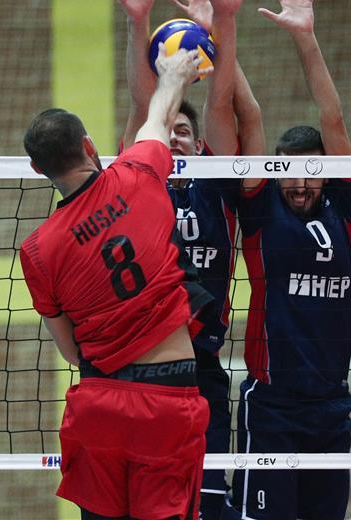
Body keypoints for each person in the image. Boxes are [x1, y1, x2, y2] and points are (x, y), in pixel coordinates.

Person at [100, 0, 264, 519]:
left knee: (209, 509)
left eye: (184, 132)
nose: (174, 136)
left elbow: (222, 102)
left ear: (199, 145)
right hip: (140, 371)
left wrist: (223, 22)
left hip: (202, 371)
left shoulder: (216, 183)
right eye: (167, 130)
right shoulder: (135, 183)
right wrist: (138, 22)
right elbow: (145, 104)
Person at [19, 41, 211, 519]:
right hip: (168, 396)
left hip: (101, 401)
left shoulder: (37, 252)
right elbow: (161, 113)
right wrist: (174, 70)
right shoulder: (138, 172)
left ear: (37, 169)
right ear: (89, 147)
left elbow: (69, 350)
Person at [230, 0, 351, 520]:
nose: (300, 183)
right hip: (273, 406)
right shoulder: (262, 214)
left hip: (331, 406)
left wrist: (307, 38)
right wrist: (220, 28)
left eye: (311, 172)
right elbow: (247, 116)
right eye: (291, 172)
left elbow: (332, 116)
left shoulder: (344, 213)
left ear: (326, 174)